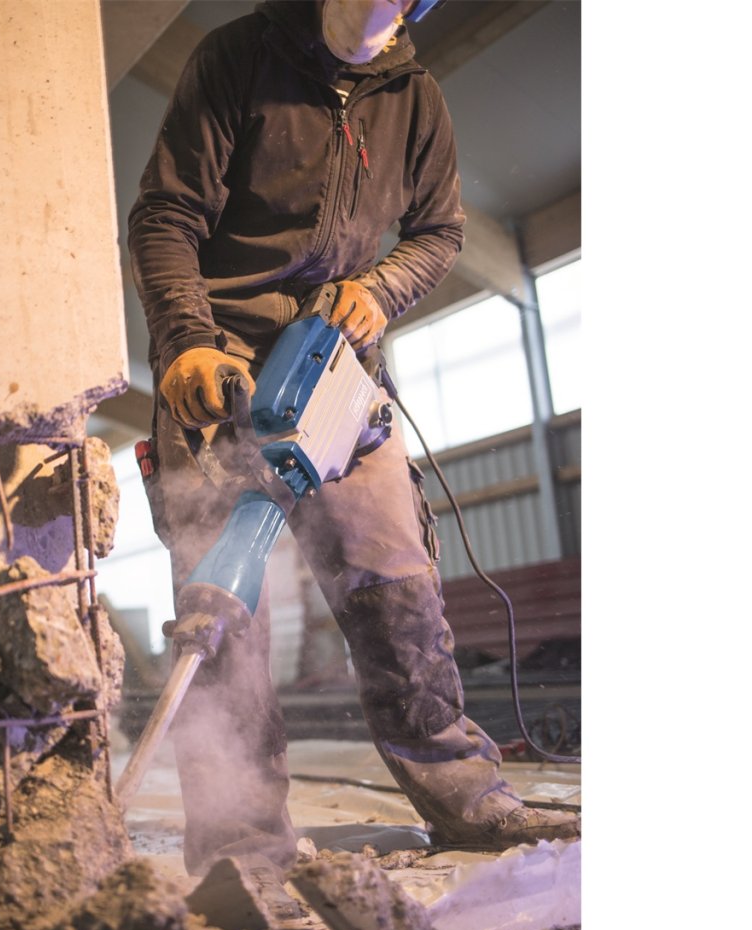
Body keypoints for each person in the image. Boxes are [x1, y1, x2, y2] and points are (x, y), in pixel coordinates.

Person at [128, 0, 579, 879]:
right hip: (221, 365)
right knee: (225, 625)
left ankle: (469, 799)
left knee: (397, 592)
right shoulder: (238, 57)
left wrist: (380, 289)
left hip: (338, 368)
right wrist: (185, 340)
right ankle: (239, 847)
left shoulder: (416, 99)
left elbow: (441, 232)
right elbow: (166, 216)